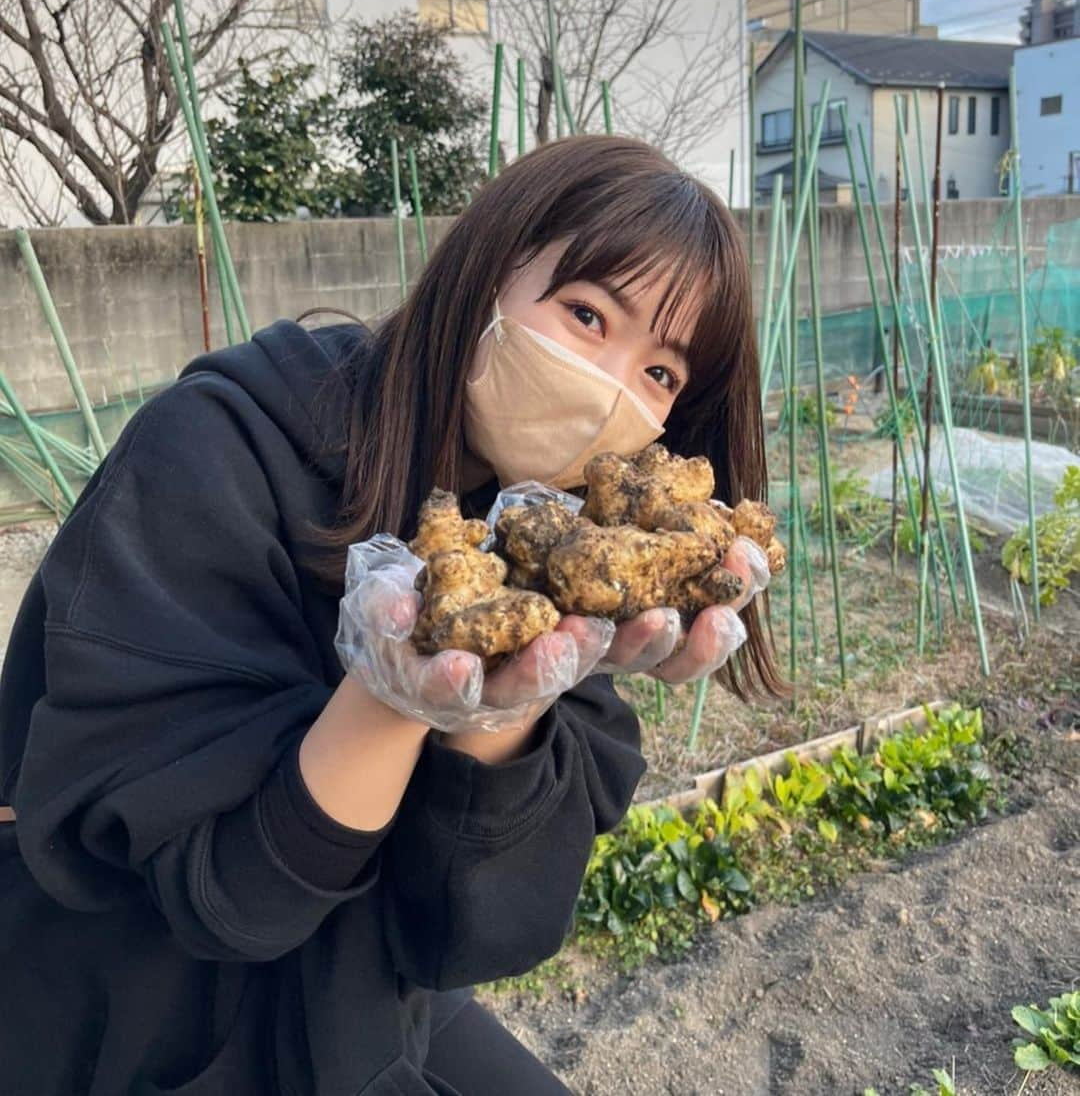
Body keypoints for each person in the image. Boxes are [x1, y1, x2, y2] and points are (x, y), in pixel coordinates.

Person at [0, 133, 787, 1096]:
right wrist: (392, 694)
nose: (613, 390)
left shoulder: (549, 548)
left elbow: (472, 932)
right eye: (587, 315)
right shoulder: (217, 450)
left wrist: (509, 706)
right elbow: (228, 905)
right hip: (121, 995)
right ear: (488, 271)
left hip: (353, 991)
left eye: (661, 375)